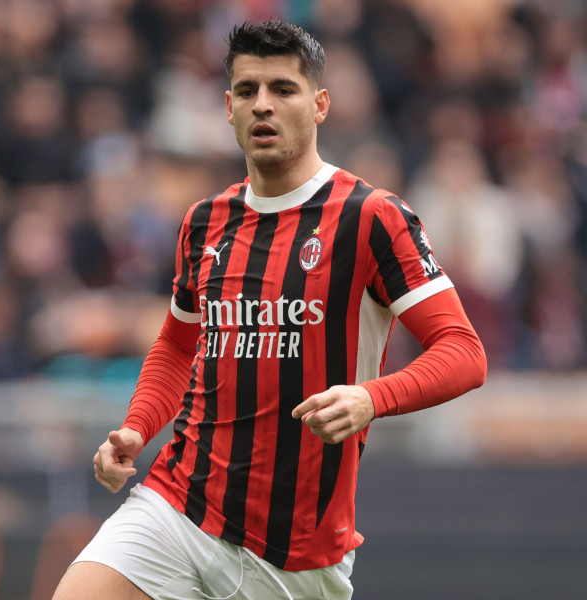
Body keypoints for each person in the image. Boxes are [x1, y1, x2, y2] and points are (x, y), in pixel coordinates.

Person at [53, 20, 487, 600]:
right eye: (248, 90)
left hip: (294, 559)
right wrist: (137, 427)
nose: (264, 105)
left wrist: (371, 397)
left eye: (283, 89)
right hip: (178, 506)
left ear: (320, 105)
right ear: (227, 106)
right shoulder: (205, 222)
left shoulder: (372, 218)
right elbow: (180, 346)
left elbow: (464, 352)